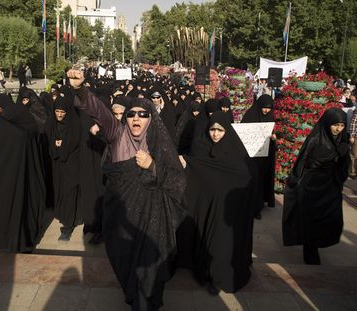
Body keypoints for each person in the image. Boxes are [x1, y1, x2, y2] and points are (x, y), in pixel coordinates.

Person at [68, 69, 185, 311]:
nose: (136, 119)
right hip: (122, 218)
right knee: (126, 265)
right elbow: (99, 111)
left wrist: (153, 166)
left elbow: (177, 181)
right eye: (131, 114)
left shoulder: (159, 143)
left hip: (153, 220)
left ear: (151, 118)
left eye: (143, 114)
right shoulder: (117, 134)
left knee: (149, 271)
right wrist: (80, 89)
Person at [178, 111, 254, 294]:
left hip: (227, 211)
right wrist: (187, 163)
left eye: (220, 130)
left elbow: (245, 176)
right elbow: (198, 169)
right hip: (208, 205)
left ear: (227, 131)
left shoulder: (236, 151)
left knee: (223, 244)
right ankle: (207, 273)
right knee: (207, 240)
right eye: (212, 129)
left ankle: (219, 276)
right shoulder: (201, 147)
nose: (215, 134)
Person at [0, 94, 46, 253]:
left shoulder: (8, 121)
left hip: (17, 171)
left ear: (3, 106)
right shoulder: (11, 120)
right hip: (14, 170)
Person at [283, 108, 349, 265]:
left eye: (341, 125)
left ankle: (317, 244)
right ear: (327, 124)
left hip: (330, 186)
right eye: (335, 125)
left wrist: (342, 156)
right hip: (311, 187)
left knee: (331, 219)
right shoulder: (315, 139)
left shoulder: (342, 140)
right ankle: (310, 252)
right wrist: (295, 182)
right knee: (310, 221)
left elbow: (344, 167)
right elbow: (302, 162)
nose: (338, 129)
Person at [44, 95, 84, 240]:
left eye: (63, 112)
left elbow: (75, 144)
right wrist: (55, 145)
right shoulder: (51, 123)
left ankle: (67, 226)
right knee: (60, 190)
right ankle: (64, 216)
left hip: (71, 165)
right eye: (57, 111)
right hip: (57, 165)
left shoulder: (74, 125)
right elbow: (47, 141)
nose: (60, 115)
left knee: (69, 191)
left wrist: (63, 145)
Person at [242, 94, 276, 219]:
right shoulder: (250, 115)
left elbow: (272, 132)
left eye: (269, 108)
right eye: (264, 108)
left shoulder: (270, 117)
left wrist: (273, 137)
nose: (266, 110)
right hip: (250, 157)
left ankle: (258, 206)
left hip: (264, 157)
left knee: (261, 180)